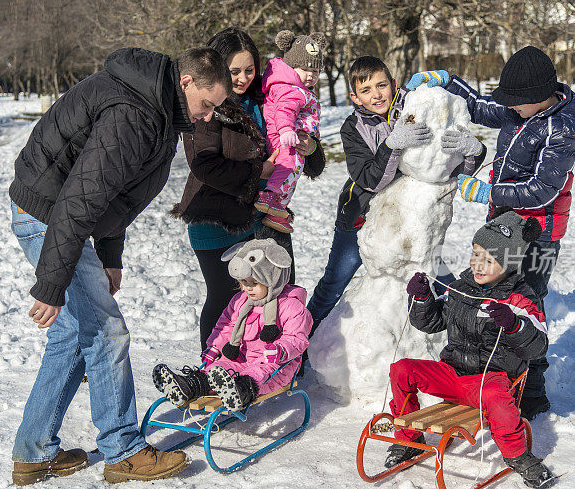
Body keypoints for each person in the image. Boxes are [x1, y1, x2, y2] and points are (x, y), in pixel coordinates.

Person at [7, 46, 232, 486]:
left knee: (76, 334)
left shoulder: (159, 107)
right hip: (49, 220)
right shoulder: (135, 113)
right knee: (106, 332)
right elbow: (79, 201)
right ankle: (123, 450)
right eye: (207, 105)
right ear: (186, 82)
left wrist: (109, 255)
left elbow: (112, 193)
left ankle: (33, 451)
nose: (208, 117)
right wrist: (51, 285)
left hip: (58, 218)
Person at [407, 45, 575, 420]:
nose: (510, 108)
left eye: (516, 102)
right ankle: (490, 374)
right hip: (505, 225)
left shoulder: (564, 128)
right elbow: (480, 107)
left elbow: (543, 189)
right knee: (493, 293)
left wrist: (487, 192)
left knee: (526, 303)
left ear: (538, 98)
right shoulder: (521, 109)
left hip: (539, 230)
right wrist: (448, 81)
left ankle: (533, 393)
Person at [306, 56, 486, 336]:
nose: (376, 94)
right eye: (366, 90)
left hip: (413, 217)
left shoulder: (417, 106)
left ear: (393, 84)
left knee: (440, 280)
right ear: (355, 97)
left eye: (381, 85)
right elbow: (368, 179)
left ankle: (463, 339)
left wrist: (472, 150)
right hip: (361, 217)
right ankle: (299, 345)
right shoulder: (353, 128)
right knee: (334, 283)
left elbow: (444, 164)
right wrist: (393, 145)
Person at [173, 27, 325, 351]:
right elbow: (203, 165)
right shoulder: (207, 104)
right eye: (234, 71)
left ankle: (279, 363)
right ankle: (212, 366)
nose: (243, 78)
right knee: (225, 298)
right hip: (215, 215)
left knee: (277, 290)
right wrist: (260, 169)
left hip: (265, 212)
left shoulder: (268, 97)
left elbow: (308, 159)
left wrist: (309, 146)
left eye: (250, 69)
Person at [387, 211, 556, 489]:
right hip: (452, 375)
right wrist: (421, 297)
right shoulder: (460, 287)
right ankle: (409, 439)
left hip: (491, 382)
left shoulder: (521, 298)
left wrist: (513, 324)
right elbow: (431, 322)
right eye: (475, 254)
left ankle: (519, 457)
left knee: (495, 395)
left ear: (509, 262)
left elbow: (537, 347)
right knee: (402, 369)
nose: (477, 265)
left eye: (488, 260)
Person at [152, 239, 312, 410]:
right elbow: (225, 326)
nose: (248, 288)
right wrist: (215, 346)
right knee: (218, 368)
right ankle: (189, 385)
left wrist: (280, 349)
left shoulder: (291, 306)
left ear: (273, 279)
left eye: (254, 283)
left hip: (277, 365)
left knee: (259, 372)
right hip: (241, 358)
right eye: (244, 283)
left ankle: (240, 391)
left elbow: (297, 338)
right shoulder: (240, 301)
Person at [254, 30, 326, 233]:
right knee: (288, 167)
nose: (311, 75)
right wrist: (285, 129)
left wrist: (314, 138)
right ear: (292, 66)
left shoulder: (298, 88)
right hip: (284, 137)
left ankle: (277, 211)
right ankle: (271, 196)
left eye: (316, 71)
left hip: (294, 138)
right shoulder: (289, 88)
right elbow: (284, 109)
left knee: (293, 172)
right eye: (305, 69)